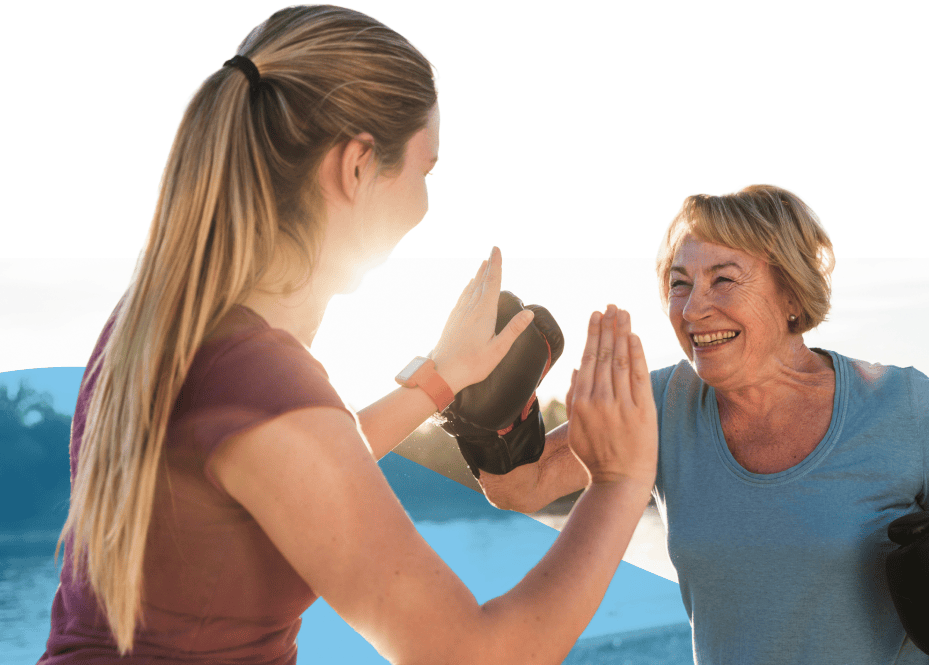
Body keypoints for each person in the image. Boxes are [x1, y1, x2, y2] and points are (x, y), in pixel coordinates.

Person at [41, 6, 656, 664]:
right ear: (357, 165)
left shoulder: (160, 321)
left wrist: (439, 379)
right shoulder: (257, 376)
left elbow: (295, 471)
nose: (425, 203)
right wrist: (621, 480)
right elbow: (479, 654)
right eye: (426, 170)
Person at [479, 185, 929, 665]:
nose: (693, 310)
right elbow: (520, 486)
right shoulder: (662, 403)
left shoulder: (900, 406)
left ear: (789, 293)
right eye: (680, 283)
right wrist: (477, 406)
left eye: (723, 281)